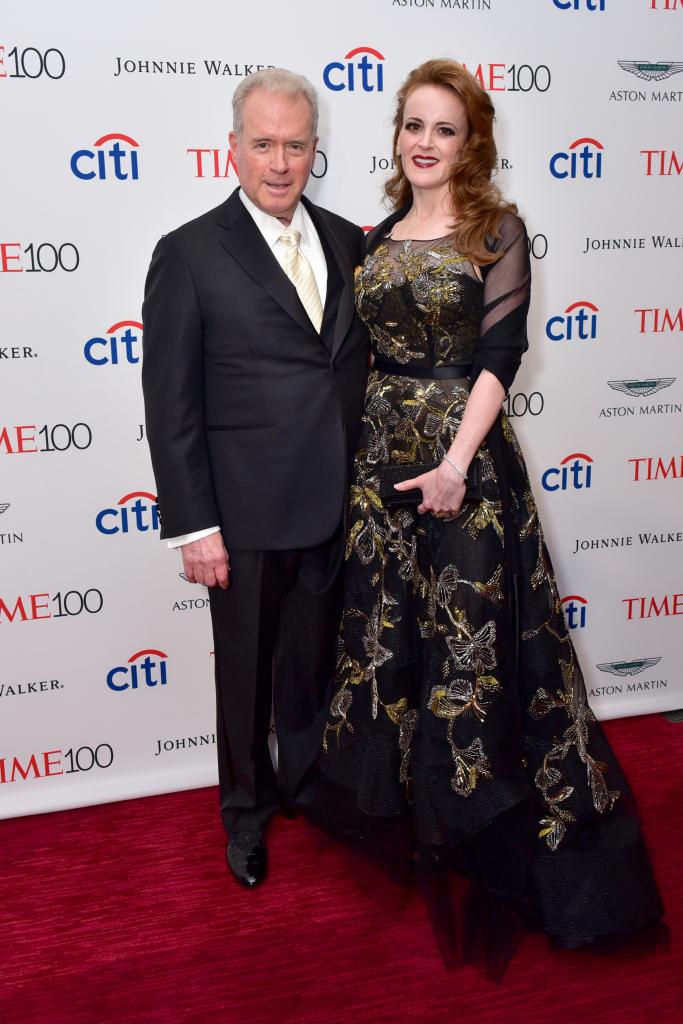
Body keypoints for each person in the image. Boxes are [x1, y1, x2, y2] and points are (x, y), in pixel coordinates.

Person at [314, 59, 663, 950]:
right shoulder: (378, 232)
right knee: (392, 642)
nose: (423, 143)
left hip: (460, 473)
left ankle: (494, 828)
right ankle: (417, 813)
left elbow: (497, 359)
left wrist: (456, 466)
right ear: (395, 136)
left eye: (444, 129)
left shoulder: (494, 230)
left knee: (476, 653)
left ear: (470, 144)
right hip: (377, 468)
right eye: (412, 125)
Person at [141, 69, 368, 888]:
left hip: (336, 503)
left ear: (316, 149)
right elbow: (171, 404)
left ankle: (306, 782)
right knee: (243, 673)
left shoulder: (349, 240)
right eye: (263, 144)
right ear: (232, 148)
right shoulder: (189, 253)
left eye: (296, 145)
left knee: (311, 662)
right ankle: (245, 810)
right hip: (241, 515)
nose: (280, 163)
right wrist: (194, 526)